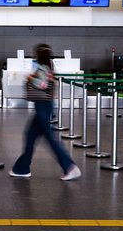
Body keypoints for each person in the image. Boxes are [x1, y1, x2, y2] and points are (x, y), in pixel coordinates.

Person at [9, 44, 82, 181]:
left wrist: (30, 78)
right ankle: (21, 168)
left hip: (42, 107)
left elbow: (42, 85)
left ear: (39, 56)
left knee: (49, 138)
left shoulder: (42, 68)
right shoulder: (48, 67)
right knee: (30, 136)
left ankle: (70, 167)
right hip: (43, 106)